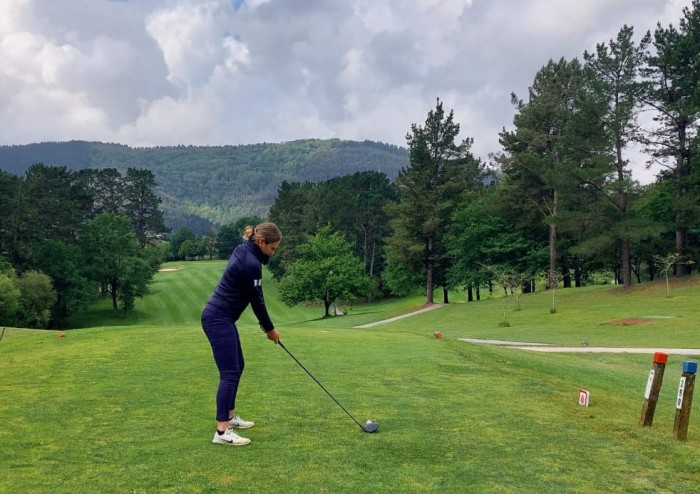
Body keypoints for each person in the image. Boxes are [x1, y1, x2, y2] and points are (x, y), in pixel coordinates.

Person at [201, 222, 282, 446]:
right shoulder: (251, 264)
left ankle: (230, 416)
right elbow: (257, 301)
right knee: (229, 373)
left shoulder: (244, 248)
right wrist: (270, 329)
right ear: (261, 242)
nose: (273, 253)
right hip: (217, 319)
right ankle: (221, 431)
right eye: (272, 248)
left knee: (239, 365)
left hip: (224, 318)